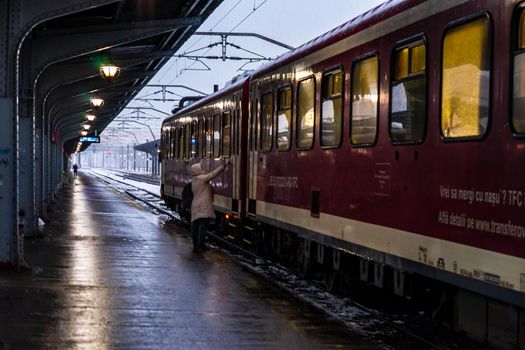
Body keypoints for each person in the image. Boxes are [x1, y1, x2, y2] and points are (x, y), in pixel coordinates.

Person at [190, 158, 228, 252]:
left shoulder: (194, 180)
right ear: (198, 170)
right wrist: (223, 166)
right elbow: (212, 174)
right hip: (203, 206)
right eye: (201, 168)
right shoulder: (202, 179)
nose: (203, 169)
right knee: (203, 226)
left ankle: (195, 245)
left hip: (195, 205)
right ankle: (201, 245)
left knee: (195, 226)